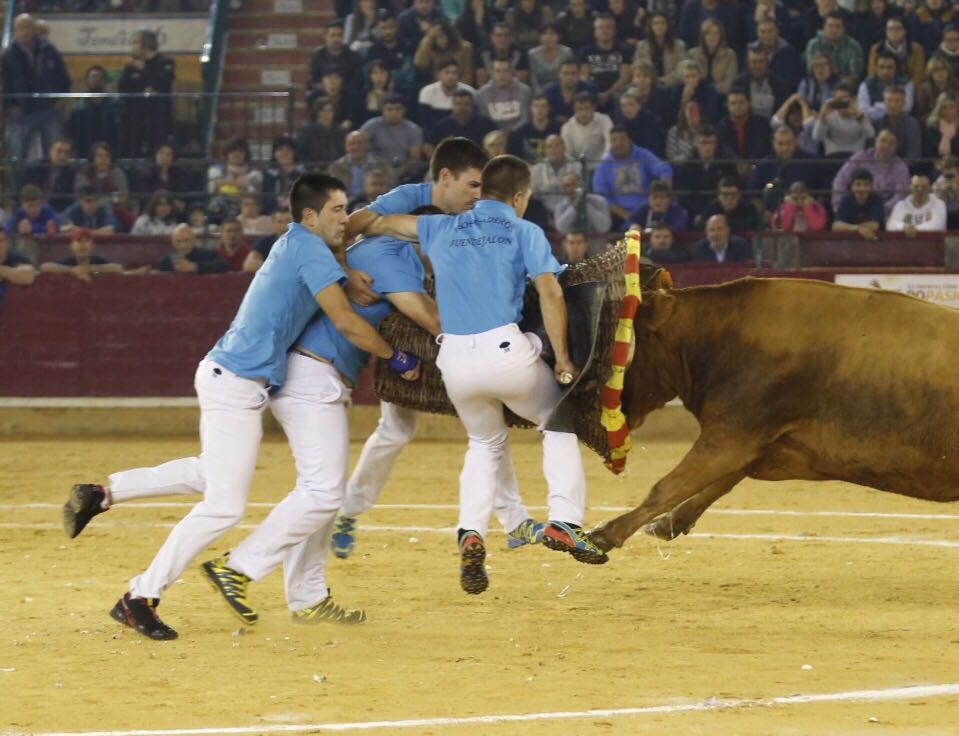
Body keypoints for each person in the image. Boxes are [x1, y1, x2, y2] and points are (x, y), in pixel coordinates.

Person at [65, 173, 419, 639]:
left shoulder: (299, 243)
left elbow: (335, 266)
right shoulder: (310, 250)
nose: (345, 218)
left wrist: (346, 270)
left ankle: (104, 493)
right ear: (310, 216)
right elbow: (346, 323)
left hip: (231, 376)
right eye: (337, 210)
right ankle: (140, 596)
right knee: (225, 506)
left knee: (210, 473)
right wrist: (396, 356)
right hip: (236, 382)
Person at [357, 154, 605, 594]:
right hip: (505, 351)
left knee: (485, 443)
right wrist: (564, 359)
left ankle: (471, 532)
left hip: (453, 359)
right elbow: (550, 293)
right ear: (519, 197)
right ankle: (565, 520)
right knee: (557, 421)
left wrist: (346, 252)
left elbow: (378, 223)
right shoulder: (524, 230)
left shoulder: (440, 227)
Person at [2, 13, 71, 161]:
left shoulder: (49, 49)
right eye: (20, 28)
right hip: (21, 113)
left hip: (49, 110)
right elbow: (5, 83)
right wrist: (11, 104)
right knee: (18, 158)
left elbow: (63, 76)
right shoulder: (8, 55)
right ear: (15, 31)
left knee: (55, 155)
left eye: (27, 27)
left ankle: (53, 177)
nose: (24, 32)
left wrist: (62, 98)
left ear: (34, 29)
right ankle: (20, 177)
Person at [591, 125, 672, 226]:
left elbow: (663, 168)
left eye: (622, 139)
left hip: (649, 210)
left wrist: (664, 192)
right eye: (613, 140)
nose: (618, 144)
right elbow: (603, 197)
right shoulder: (603, 166)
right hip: (619, 215)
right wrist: (629, 216)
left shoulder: (643, 154)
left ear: (631, 141)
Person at [118, 30, 175, 158]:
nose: (132, 46)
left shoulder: (165, 62)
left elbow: (163, 84)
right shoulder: (131, 65)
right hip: (136, 117)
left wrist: (143, 70)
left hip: (158, 118)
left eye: (135, 42)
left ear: (146, 44)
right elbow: (122, 88)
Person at [832, 129, 910, 214]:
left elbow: (900, 197)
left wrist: (877, 210)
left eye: (891, 143)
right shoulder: (861, 157)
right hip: (854, 208)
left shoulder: (901, 167)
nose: (886, 146)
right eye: (883, 141)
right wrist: (840, 207)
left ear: (896, 147)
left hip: (884, 211)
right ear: (876, 141)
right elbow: (840, 181)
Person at [579, 14, 634, 109]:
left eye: (608, 27)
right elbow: (584, 77)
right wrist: (596, 94)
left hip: (617, 93)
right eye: (600, 28)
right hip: (593, 93)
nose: (604, 31)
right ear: (595, 32)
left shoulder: (624, 50)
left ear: (614, 31)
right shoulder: (586, 51)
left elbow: (624, 78)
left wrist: (608, 94)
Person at [360, 95, 425, 168]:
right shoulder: (372, 125)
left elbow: (415, 158)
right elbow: (358, 145)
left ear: (404, 110)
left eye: (397, 109)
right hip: (375, 167)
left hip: (404, 168)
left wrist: (398, 172)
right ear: (383, 110)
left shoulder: (414, 129)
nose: (394, 113)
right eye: (389, 109)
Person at [39, 229, 123, 283]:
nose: (83, 244)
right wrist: (72, 270)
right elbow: (44, 267)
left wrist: (91, 268)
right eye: (79, 241)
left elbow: (118, 268)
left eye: (87, 241)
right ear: (71, 246)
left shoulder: (97, 260)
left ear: (92, 246)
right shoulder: (68, 261)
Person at [476, 58, 535, 130]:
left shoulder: (525, 91)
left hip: (519, 132)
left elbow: (525, 119)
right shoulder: (482, 93)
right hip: (492, 133)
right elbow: (484, 121)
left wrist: (510, 132)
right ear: (492, 73)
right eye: (498, 71)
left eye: (505, 71)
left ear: (512, 73)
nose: (502, 75)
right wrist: (498, 133)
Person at [688, 19, 738, 95]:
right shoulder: (692, 54)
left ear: (721, 36)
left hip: (720, 95)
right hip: (697, 94)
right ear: (703, 36)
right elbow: (688, 78)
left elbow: (730, 82)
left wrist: (711, 90)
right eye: (708, 33)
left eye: (716, 33)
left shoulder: (730, 55)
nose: (712, 37)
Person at [831, 169, 885, 240]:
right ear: (852, 187)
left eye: (866, 184)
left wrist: (848, 227)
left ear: (871, 187)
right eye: (858, 184)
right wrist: (857, 228)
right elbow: (836, 226)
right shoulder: (846, 200)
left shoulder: (877, 199)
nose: (862, 189)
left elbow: (875, 225)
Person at [154, 224, 230, 274]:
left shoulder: (208, 254)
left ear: (194, 240)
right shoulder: (166, 261)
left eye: (187, 240)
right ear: (173, 243)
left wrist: (193, 267)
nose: (183, 245)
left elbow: (223, 265)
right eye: (178, 241)